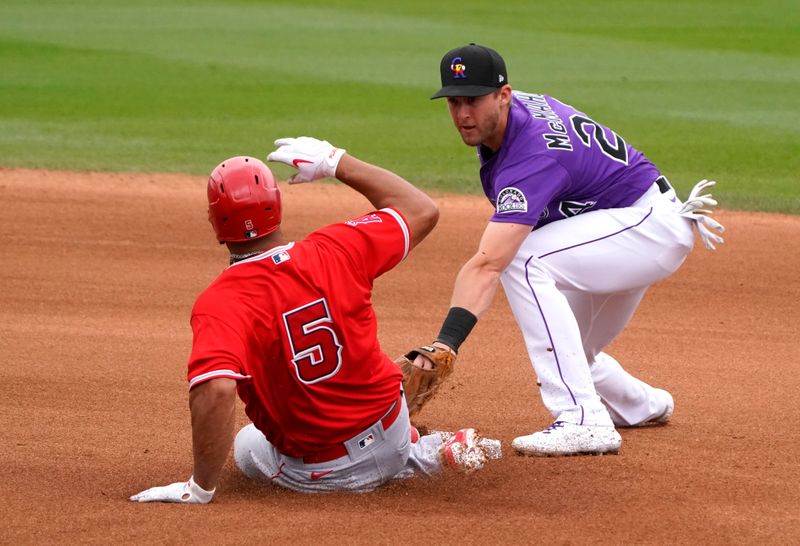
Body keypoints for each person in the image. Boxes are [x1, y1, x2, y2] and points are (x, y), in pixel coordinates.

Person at [129, 137, 501, 503]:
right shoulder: (338, 246)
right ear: (277, 206)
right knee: (381, 411)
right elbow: (421, 210)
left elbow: (217, 390)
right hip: (393, 425)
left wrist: (200, 487)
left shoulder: (221, 303)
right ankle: (422, 451)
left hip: (328, 472)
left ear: (215, 224)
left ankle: (418, 457)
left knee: (246, 446)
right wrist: (335, 161)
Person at [423, 43, 725, 457]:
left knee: (524, 260)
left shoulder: (530, 158)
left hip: (645, 227)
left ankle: (582, 419)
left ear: (504, 95)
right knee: (573, 349)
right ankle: (641, 404)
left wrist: (446, 342)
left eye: (473, 101)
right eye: (454, 102)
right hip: (623, 223)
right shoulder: (513, 117)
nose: (462, 115)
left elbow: (490, 262)